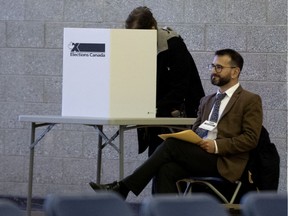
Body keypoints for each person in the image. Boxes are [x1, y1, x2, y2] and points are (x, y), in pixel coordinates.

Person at [89, 48, 263, 199]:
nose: (214, 71)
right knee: (166, 169)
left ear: (235, 72)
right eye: (212, 66)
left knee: (171, 145)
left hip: (223, 160)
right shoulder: (206, 100)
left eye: (219, 67)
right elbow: (196, 129)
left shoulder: (250, 100)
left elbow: (251, 138)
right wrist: (191, 139)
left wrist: (216, 146)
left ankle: (123, 188)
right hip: (199, 152)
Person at [125, 6, 205, 156]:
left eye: (140, 36)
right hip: (157, 112)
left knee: (164, 158)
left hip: (178, 112)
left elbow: (181, 86)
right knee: (155, 158)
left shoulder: (173, 44)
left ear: (152, 28)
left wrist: (153, 108)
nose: (137, 41)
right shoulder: (139, 45)